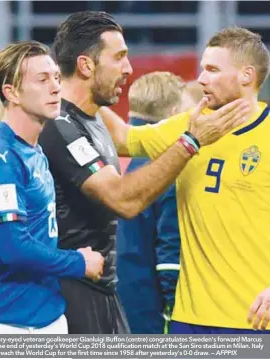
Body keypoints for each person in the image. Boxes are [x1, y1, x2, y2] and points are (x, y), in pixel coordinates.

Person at [39, 11, 249, 334]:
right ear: (86, 65)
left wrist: (211, 114)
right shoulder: (60, 126)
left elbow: (130, 138)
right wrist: (191, 142)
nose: (129, 69)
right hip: (71, 295)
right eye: (120, 57)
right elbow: (123, 200)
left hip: (106, 293)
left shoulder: (95, 115)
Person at [101, 27, 270, 333]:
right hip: (189, 321)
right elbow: (121, 138)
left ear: (247, 76)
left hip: (255, 319)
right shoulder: (191, 126)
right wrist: (72, 87)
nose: (201, 79)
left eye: (212, 70)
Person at [0, 40, 104, 335]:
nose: (56, 87)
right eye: (42, 80)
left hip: (45, 316)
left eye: (56, 77)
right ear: (11, 92)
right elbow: (13, 248)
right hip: (0, 324)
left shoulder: (33, 148)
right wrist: (78, 263)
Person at [116, 72, 191, 334]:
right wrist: (174, 311)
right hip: (149, 311)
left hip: (105, 301)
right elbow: (169, 254)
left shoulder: (104, 159)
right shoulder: (166, 167)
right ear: (174, 113)